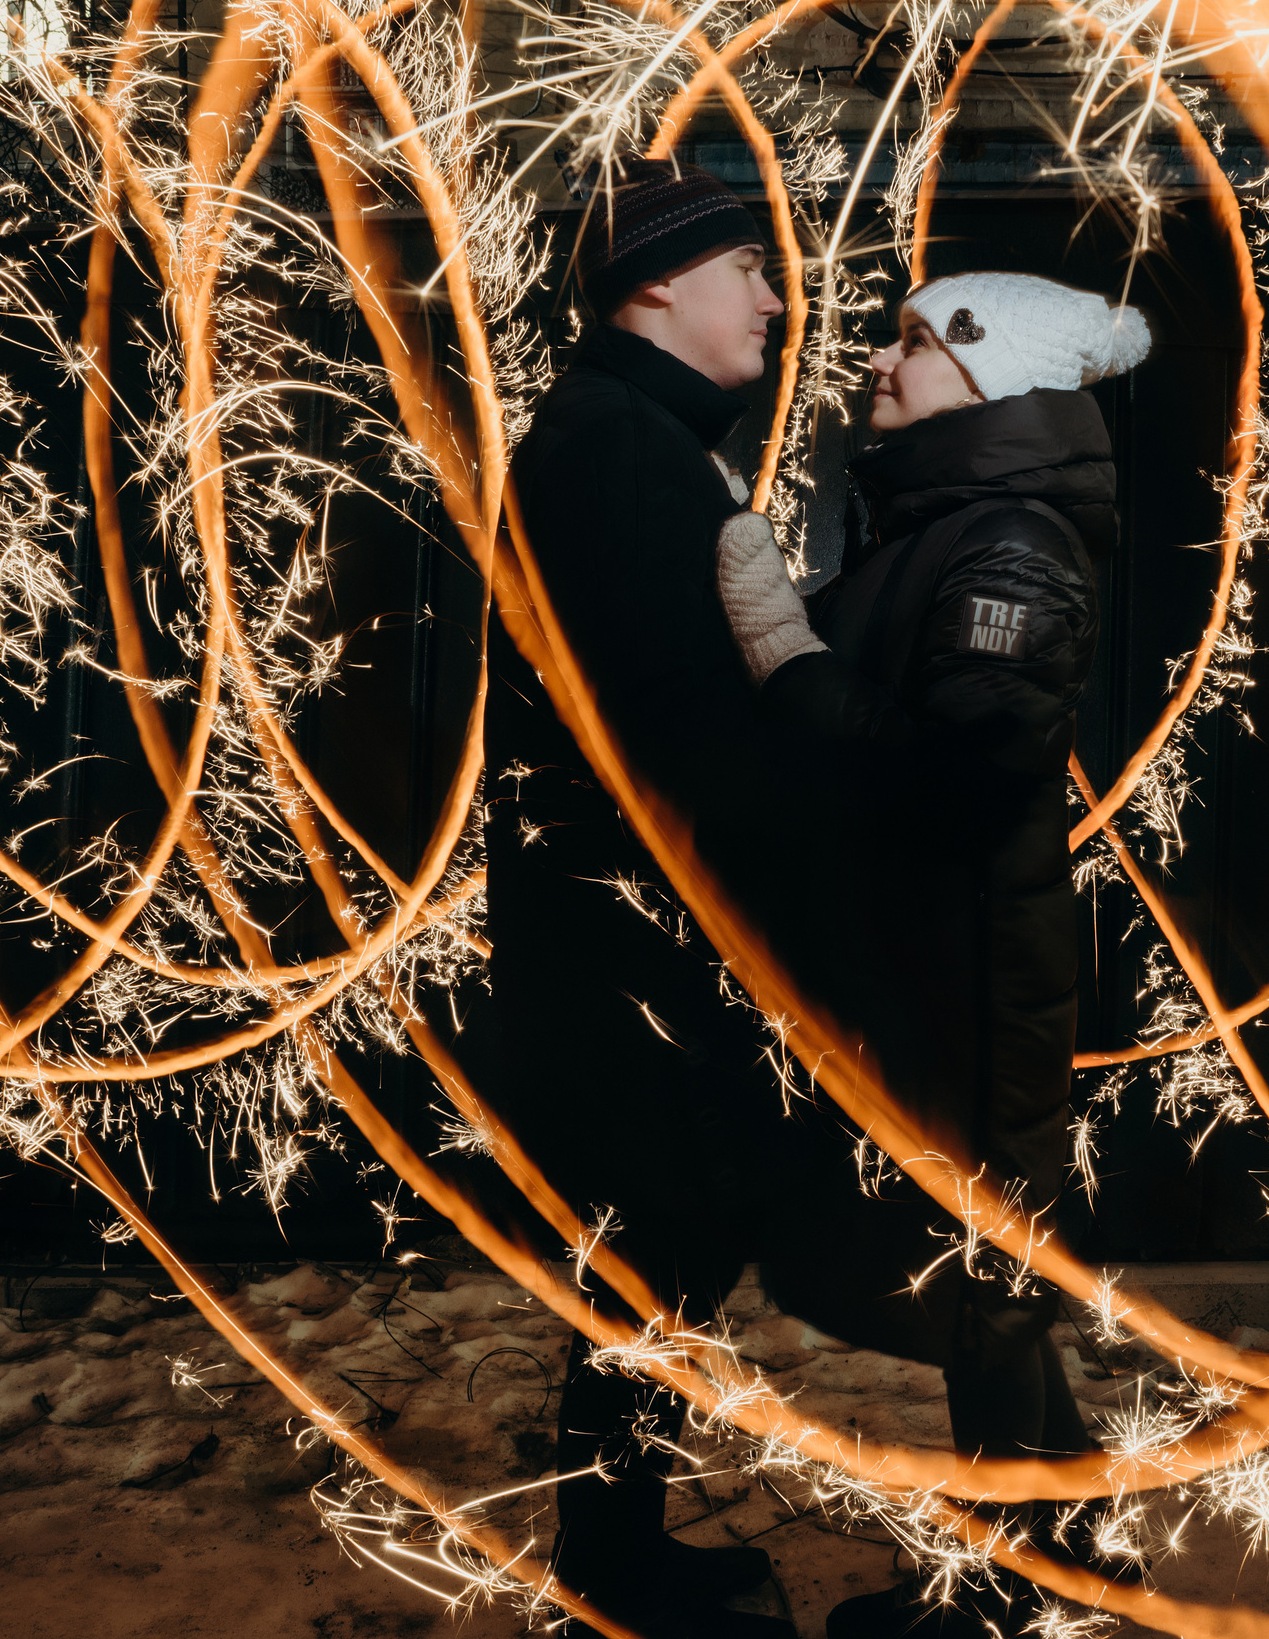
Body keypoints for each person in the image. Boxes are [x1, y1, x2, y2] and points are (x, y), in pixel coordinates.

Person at [714, 272, 1152, 1638]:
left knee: (974, 1280)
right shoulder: (947, 522)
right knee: (960, 1274)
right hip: (924, 963)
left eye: (919, 343)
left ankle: (1022, 1600)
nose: (880, 359)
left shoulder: (1007, 544)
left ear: (998, 381)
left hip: (968, 973)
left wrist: (785, 651)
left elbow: (956, 780)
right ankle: (1065, 1543)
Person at [477, 158, 795, 1638]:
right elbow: (666, 726)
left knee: (654, 1252)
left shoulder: (635, 434)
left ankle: (618, 1547)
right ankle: (613, 1565)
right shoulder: (619, 448)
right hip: (625, 952)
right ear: (658, 282)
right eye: (750, 268)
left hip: (624, 942)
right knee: (651, 1246)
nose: (781, 300)